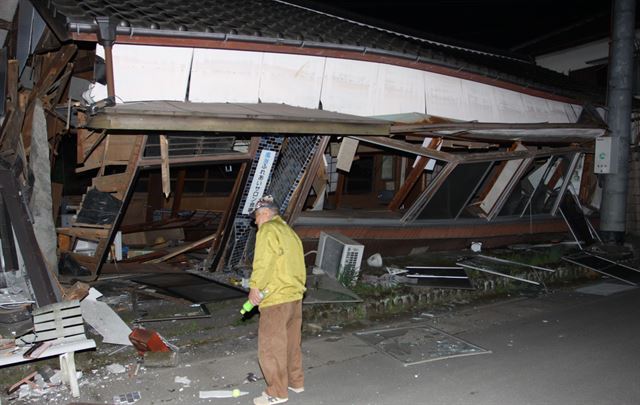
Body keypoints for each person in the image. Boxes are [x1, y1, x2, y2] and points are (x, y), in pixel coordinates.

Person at [248, 195, 306, 405]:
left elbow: (263, 262)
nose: (255, 222)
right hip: (295, 297)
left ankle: (277, 393)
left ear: (264, 213)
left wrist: (255, 287)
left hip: (276, 299)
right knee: (291, 343)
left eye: (256, 217)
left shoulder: (268, 230)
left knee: (271, 348)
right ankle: (295, 382)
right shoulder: (289, 233)